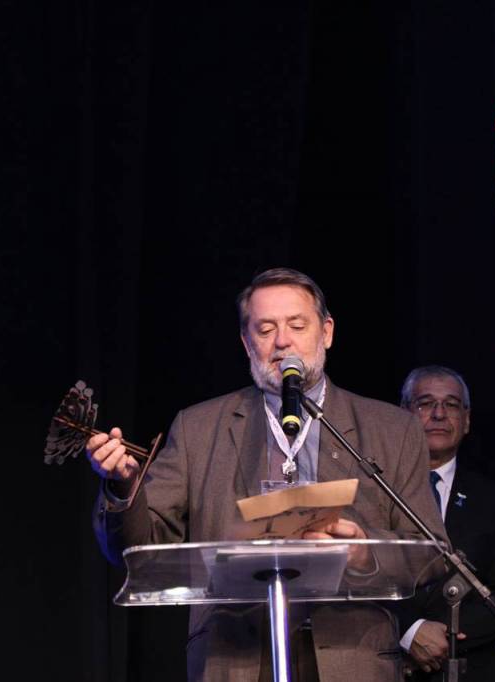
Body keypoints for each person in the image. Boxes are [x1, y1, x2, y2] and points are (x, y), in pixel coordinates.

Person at [86, 268, 448, 682]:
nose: (282, 341)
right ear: (246, 342)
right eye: (266, 329)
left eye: (297, 325)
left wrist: (365, 553)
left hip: (351, 656)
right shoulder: (198, 428)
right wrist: (123, 489)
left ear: (326, 332)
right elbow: (138, 548)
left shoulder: (391, 429)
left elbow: (432, 553)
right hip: (236, 656)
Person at [395, 366, 495, 682]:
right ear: (402, 415)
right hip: (386, 663)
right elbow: (355, 579)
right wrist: (411, 632)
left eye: (451, 404)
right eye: (425, 403)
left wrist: (445, 638)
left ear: (466, 421)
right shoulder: (374, 489)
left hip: (466, 666)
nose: (439, 414)